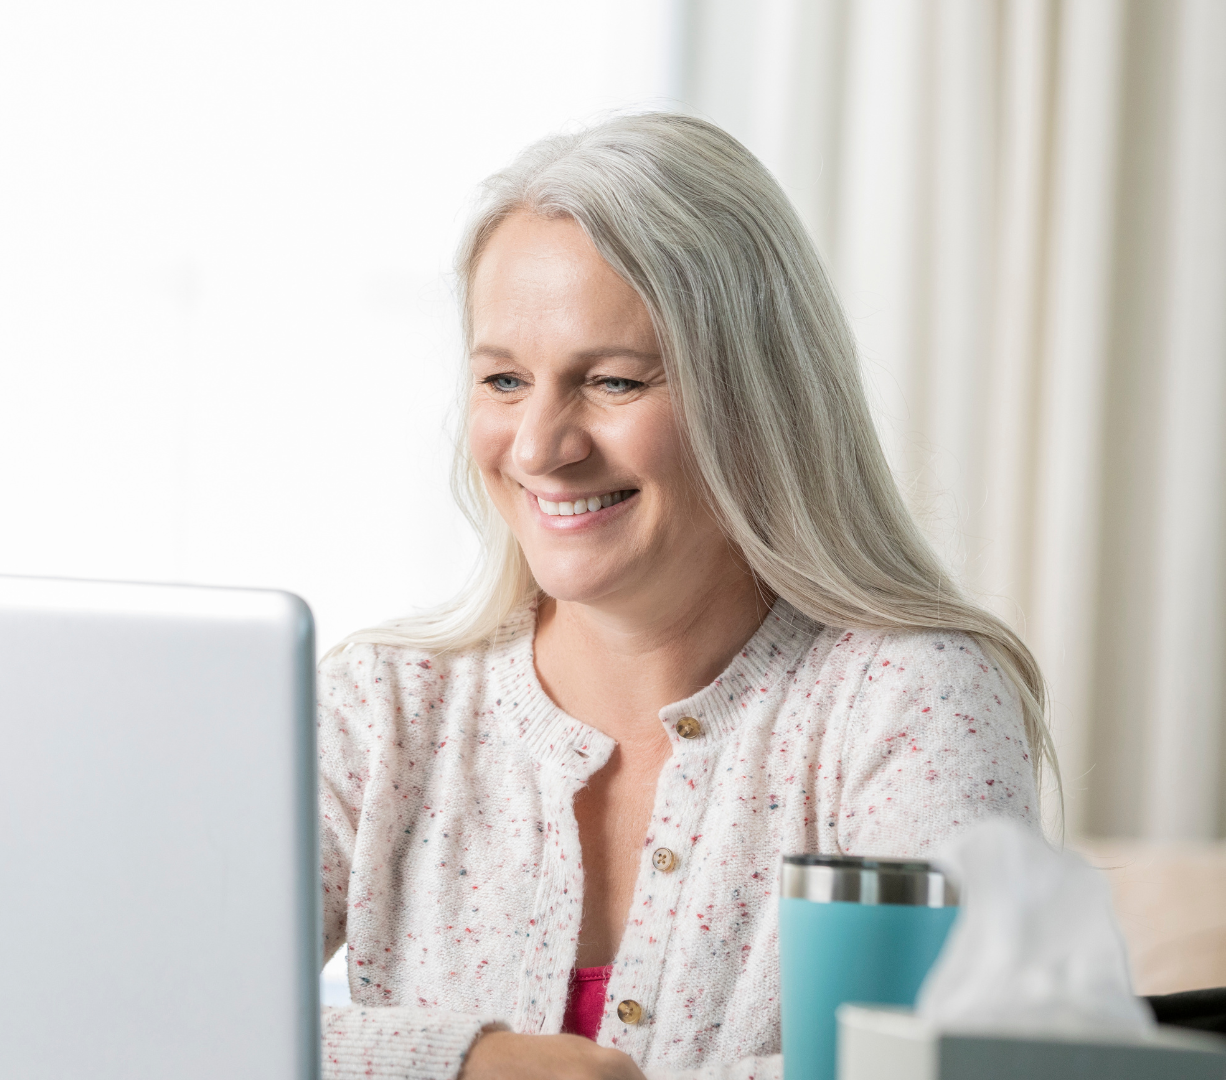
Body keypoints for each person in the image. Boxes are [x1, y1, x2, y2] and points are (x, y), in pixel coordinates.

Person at [316, 113, 1051, 1080]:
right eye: (503, 380)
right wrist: (468, 1062)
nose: (539, 448)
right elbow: (128, 1007)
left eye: (614, 382)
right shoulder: (383, 706)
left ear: (758, 395)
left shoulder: (913, 703)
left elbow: (960, 1069)